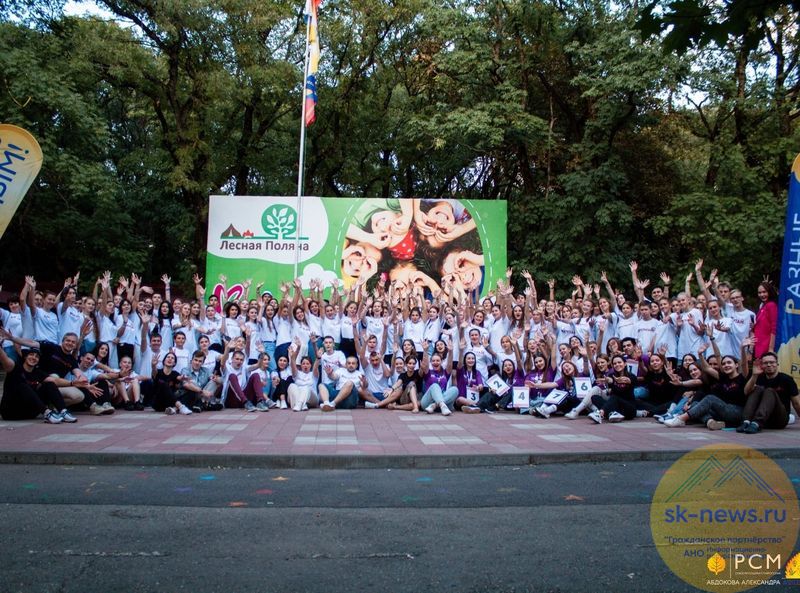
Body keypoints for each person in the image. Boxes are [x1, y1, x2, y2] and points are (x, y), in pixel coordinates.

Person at [0, 345, 71, 423]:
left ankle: (63, 412)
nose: (34, 358)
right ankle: (47, 413)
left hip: (30, 412)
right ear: (25, 357)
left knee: (50, 384)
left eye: (37, 356)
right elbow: (5, 359)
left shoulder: (37, 372)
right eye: (31, 355)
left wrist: (72, 383)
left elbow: (55, 380)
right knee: (23, 385)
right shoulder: (14, 368)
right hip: (11, 412)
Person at [738, 352, 800, 433]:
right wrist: (754, 375)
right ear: (762, 365)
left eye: (772, 362)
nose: (769, 365)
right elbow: (746, 392)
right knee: (757, 389)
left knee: (769, 391)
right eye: (765, 363)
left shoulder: (787, 379)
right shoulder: (758, 377)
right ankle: (746, 421)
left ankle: (757, 423)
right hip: (764, 419)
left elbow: (796, 403)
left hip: (779, 419)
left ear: (777, 364)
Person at [588, 354, 637, 423]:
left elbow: (629, 381)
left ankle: (600, 414)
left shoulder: (631, 376)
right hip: (617, 407)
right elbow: (612, 390)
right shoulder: (611, 376)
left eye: (619, 362)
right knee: (594, 397)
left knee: (615, 397)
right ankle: (612, 413)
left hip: (629, 408)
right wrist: (610, 382)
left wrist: (624, 381)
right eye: (615, 363)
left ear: (625, 364)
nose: (617, 365)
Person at [754, 281, 777, 359]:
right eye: (759, 293)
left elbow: (774, 328)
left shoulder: (771, 305)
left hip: (766, 346)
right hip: (759, 344)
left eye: (764, 292)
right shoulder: (763, 306)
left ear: (769, 292)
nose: (762, 295)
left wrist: (771, 348)